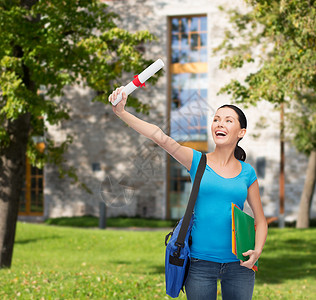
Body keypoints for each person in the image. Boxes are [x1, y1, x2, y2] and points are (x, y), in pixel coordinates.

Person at [108, 87, 268, 300]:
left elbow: (261, 221)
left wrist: (257, 251)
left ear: (241, 132)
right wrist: (121, 112)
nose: (220, 123)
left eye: (228, 120)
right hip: (200, 264)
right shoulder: (197, 161)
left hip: (239, 265)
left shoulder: (247, 172)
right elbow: (160, 137)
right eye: (216, 119)